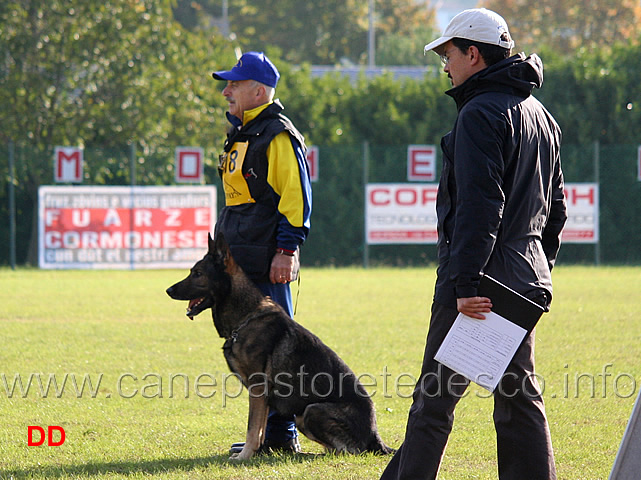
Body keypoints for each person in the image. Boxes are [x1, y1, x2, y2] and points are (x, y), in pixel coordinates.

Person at [380, 8, 567, 480]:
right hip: (523, 280)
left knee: (433, 405)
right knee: (518, 400)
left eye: (448, 53)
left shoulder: (480, 113)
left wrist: (465, 282)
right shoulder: (540, 115)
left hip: (480, 286)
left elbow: (481, 206)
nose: (445, 64)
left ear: (473, 53)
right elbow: (556, 208)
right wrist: (536, 268)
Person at [211, 51, 312, 454]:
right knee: (250, 351)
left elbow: (297, 197)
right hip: (240, 260)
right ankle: (263, 436)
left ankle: (281, 437)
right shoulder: (242, 132)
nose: (225, 91)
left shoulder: (278, 134)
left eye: (233, 84)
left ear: (258, 90)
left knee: (275, 350)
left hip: (267, 260)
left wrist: (287, 250)